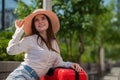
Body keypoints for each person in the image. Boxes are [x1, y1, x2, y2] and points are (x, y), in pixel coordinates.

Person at [6, 9, 81, 80]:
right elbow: (10, 50)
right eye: (36, 20)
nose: (40, 21)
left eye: (43, 18)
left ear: (48, 21)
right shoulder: (31, 39)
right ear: (34, 25)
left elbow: (58, 62)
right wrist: (18, 31)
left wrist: (70, 64)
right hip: (21, 75)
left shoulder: (54, 43)